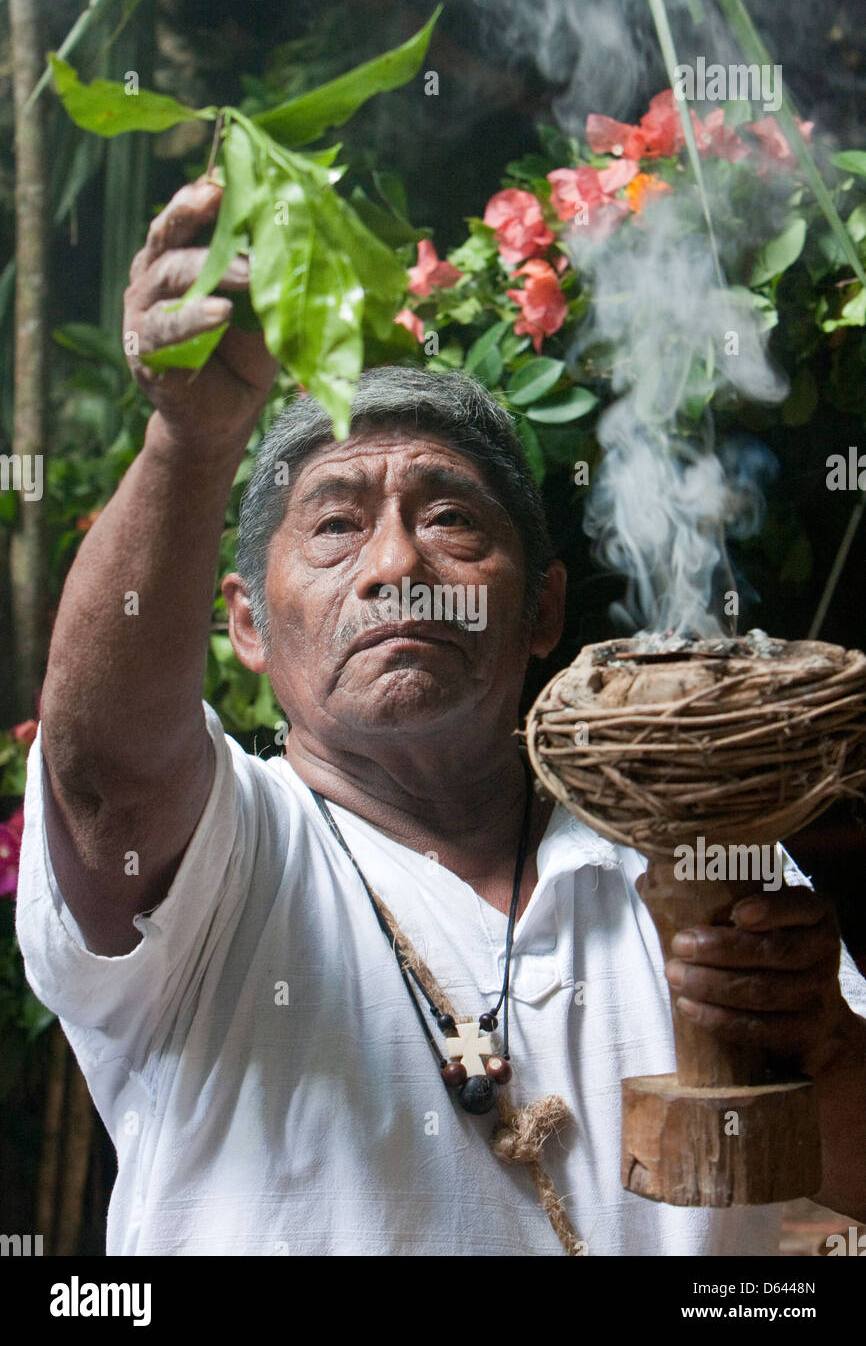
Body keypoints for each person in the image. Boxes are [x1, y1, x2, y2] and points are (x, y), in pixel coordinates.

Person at [16, 177, 866, 1256]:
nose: (396, 565)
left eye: (452, 517)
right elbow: (100, 779)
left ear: (542, 608)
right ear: (246, 626)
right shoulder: (229, 857)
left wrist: (826, 1049)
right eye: (334, 524)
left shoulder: (693, 862)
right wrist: (189, 438)